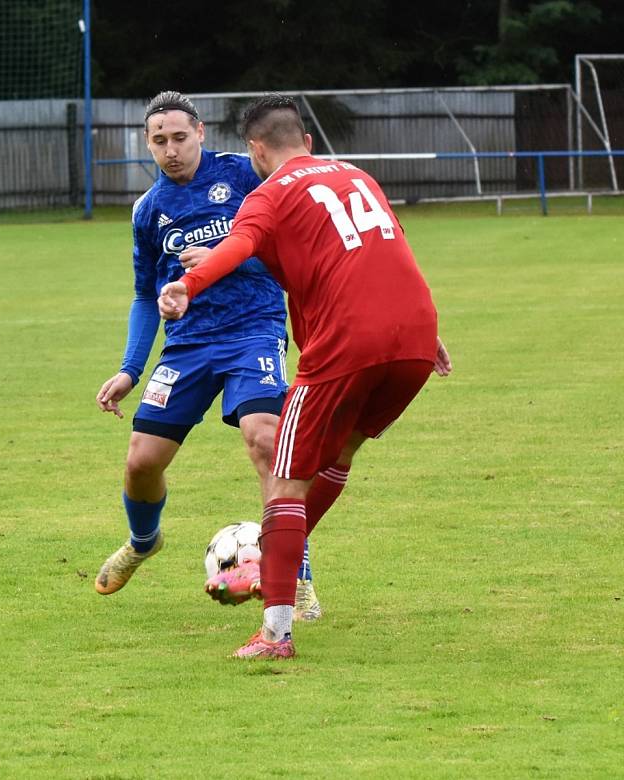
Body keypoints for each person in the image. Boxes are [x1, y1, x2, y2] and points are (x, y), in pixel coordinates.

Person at [159, 94, 453, 659]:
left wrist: (187, 287)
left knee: (287, 478)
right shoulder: (356, 176)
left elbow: (239, 243)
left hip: (347, 344)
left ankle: (276, 632)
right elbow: (385, 249)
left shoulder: (267, 194)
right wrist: (422, 331)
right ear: (309, 142)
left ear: (256, 149)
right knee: (340, 453)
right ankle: (277, 558)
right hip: (413, 336)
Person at [94, 91, 323, 620]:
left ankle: (299, 576)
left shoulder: (247, 175)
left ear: (200, 132)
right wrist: (130, 369)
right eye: (159, 141)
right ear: (147, 145)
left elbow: (289, 250)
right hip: (189, 345)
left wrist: (225, 260)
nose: (171, 149)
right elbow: (143, 295)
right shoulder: (148, 210)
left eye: (179, 137)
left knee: (266, 441)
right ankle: (145, 540)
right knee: (140, 462)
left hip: (254, 330)